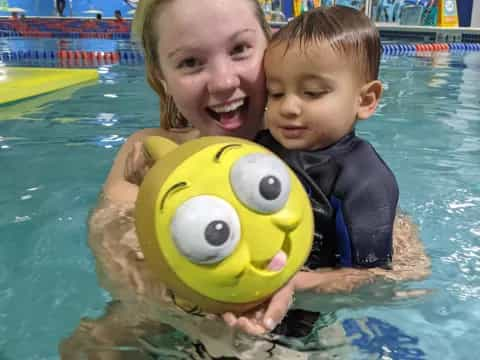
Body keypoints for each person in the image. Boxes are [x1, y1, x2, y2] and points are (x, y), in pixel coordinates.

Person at [60, 0, 430, 358]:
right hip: (170, 322)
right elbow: (120, 264)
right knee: (93, 345)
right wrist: (216, 301)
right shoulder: (145, 157)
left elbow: (402, 273)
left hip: (294, 325)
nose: (223, 82)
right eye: (190, 62)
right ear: (161, 76)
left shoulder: (310, 147)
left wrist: (292, 287)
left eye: (239, 49)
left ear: (269, 47)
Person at [233, 5, 400, 335]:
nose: (288, 107)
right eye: (276, 93)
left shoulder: (365, 180)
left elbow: (372, 278)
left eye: (312, 93)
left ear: (365, 100)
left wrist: (293, 283)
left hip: (306, 314)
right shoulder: (260, 147)